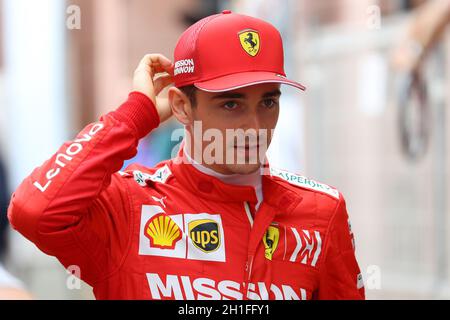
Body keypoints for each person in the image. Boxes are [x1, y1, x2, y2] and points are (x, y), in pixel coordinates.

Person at [7, 11, 364, 300]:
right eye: (231, 103)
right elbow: (33, 211)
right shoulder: (130, 207)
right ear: (181, 105)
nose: (255, 125)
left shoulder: (320, 212)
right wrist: (136, 115)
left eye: (268, 101)